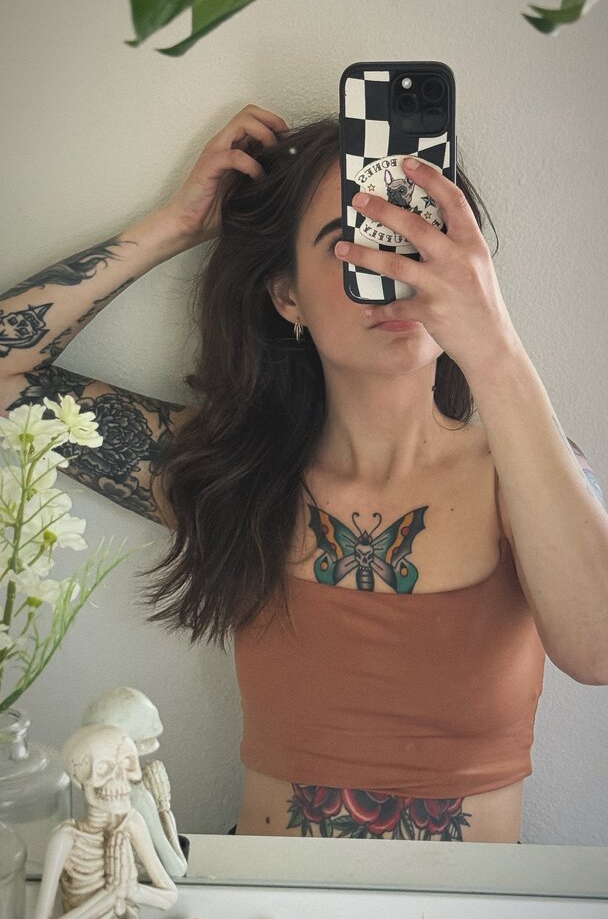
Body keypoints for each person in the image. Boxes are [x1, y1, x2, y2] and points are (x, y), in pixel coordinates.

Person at [1, 105, 606, 846]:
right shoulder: (230, 474)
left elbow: (598, 649)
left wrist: (492, 341)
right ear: (287, 296)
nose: (392, 273)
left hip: (465, 914)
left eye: (414, 240)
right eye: (354, 245)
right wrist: (175, 226)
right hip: (263, 905)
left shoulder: (523, 471)